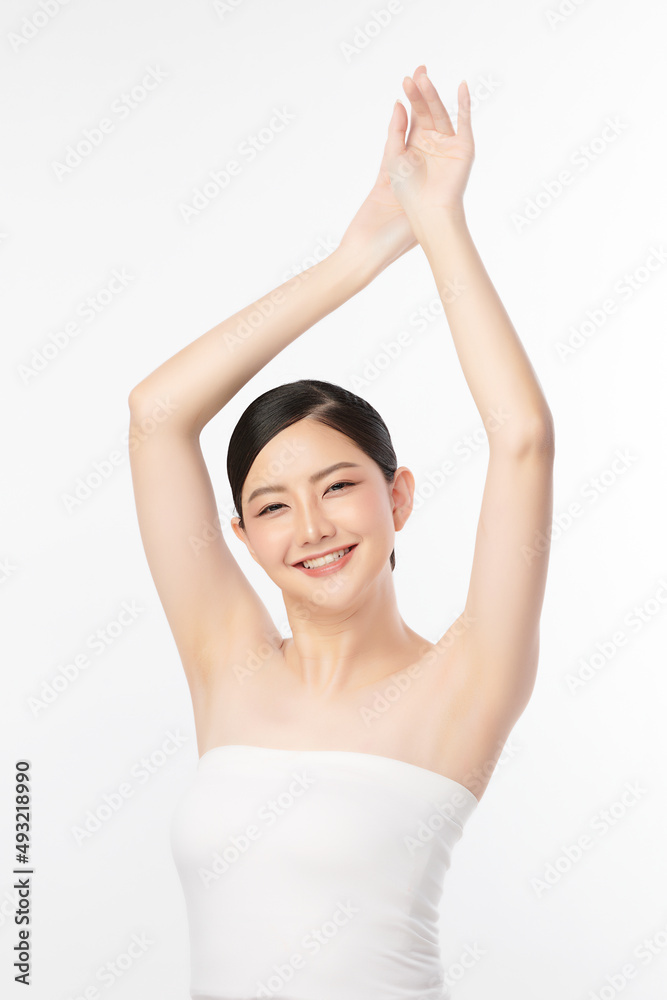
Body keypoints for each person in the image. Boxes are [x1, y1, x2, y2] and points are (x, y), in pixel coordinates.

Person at [128, 65, 554, 1000]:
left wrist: (439, 224)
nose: (312, 526)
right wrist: (352, 262)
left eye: (338, 486)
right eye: (273, 505)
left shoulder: (463, 679)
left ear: (396, 497)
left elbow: (521, 439)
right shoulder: (227, 662)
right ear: (238, 535)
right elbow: (157, 414)